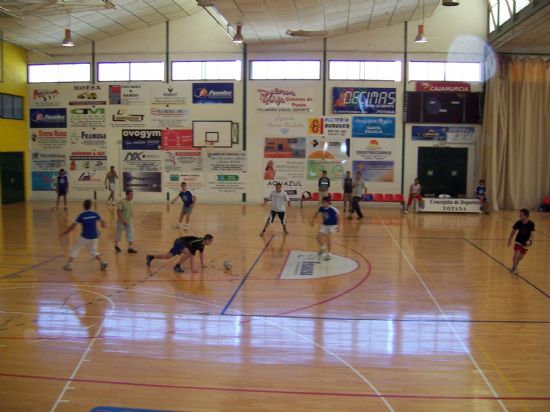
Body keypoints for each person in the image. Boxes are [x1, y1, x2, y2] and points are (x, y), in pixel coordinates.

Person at [60, 199, 107, 271]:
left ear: (83, 206)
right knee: (93, 251)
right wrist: (103, 225)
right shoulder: (95, 213)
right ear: (90, 206)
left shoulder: (81, 215)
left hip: (85, 237)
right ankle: (102, 262)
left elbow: (72, 226)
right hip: (94, 237)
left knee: (75, 248)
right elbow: (103, 222)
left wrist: (64, 233)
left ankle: (69, 264)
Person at [146, 234, 214, 273]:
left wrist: (202, 264)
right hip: (179, 242)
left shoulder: (202, 244)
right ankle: (177, 266)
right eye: (211, 241)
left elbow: (201, 254)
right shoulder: (197, 243)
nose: (211, 243)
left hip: (183, 244)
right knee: (188, 253)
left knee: (168, 256)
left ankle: (151, 257)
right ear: (207, 240)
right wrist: (192, 268)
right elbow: (192, 255)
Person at [311, 196, 340, 261]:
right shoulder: (321, 208)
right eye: (322, 202)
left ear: (328, 203)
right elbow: (316, 213)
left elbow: (338, 217)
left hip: (333, 225)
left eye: (325, 203)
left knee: (329, 238)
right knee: (318, 237)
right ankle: (322, 248)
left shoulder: (333, 209)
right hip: (325, 225)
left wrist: (338, 226)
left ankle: (329, 254)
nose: (323, 204)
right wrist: (313, 220)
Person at [507, 208, 535, 274]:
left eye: (521, 214)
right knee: (516, 254)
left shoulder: (531, 224)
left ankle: (515, 266)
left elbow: (532, 234)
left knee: (520, 257)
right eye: (519, 214)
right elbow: (513, 231)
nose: (519, 216)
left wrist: (530, 241)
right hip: (518, 240)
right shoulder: (518, 223)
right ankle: (514, 267)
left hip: (526, 243)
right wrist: (510, 239)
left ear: (526, 216)